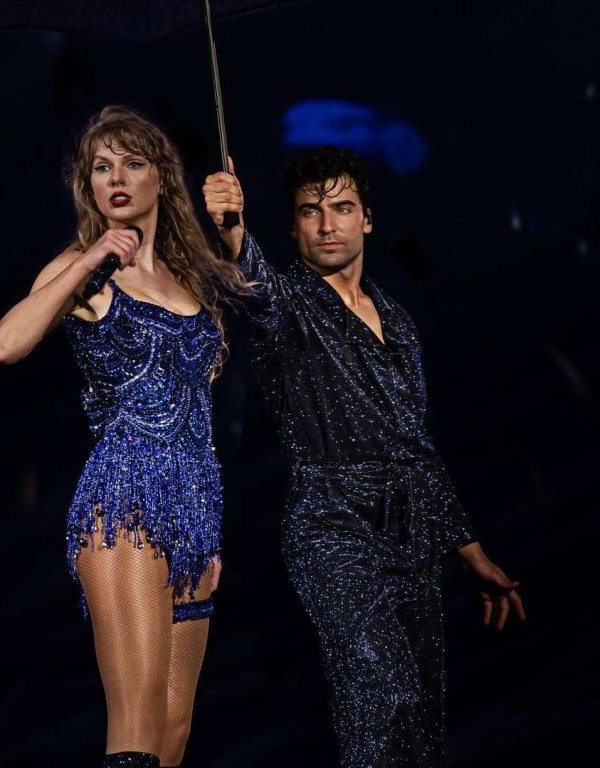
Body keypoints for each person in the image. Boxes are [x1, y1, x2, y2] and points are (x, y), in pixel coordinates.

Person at [203, 148, 526, 767]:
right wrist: (231, 228)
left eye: (342, 208)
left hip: (409, 533)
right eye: (310, 212)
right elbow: (253, 283)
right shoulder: (288, 305)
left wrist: (473, 554)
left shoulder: (399, 324)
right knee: (382, 694)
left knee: (424, 719)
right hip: (331, 526)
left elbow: (417, 448)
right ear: (293, 227)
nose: (327, 225)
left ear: (368, 220)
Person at [0, 106, 252, 768]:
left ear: (163, 178)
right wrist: (89, 261)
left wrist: (237, 230)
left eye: (132, 163)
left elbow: (207, 404)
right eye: (101, 167)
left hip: (196, 516)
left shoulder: (194, 278)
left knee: (172, 734)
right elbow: (4, 344)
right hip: (125, 504)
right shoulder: (85, 267)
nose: (115, 177)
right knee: (134, 730)